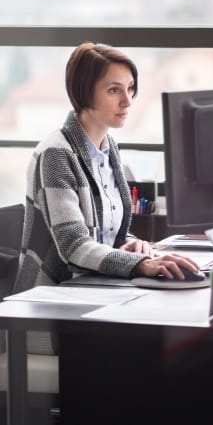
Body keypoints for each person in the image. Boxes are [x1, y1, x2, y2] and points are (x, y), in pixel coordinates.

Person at [14, 42, 200, 298]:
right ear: (84, 93)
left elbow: (104, 234)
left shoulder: (108, 148)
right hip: (54, 297)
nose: (128, 101)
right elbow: (74, 245)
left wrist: (129, 245)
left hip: (97, 287)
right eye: (114, 90)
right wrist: (140, 264)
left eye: (131, 89)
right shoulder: (56, 154)